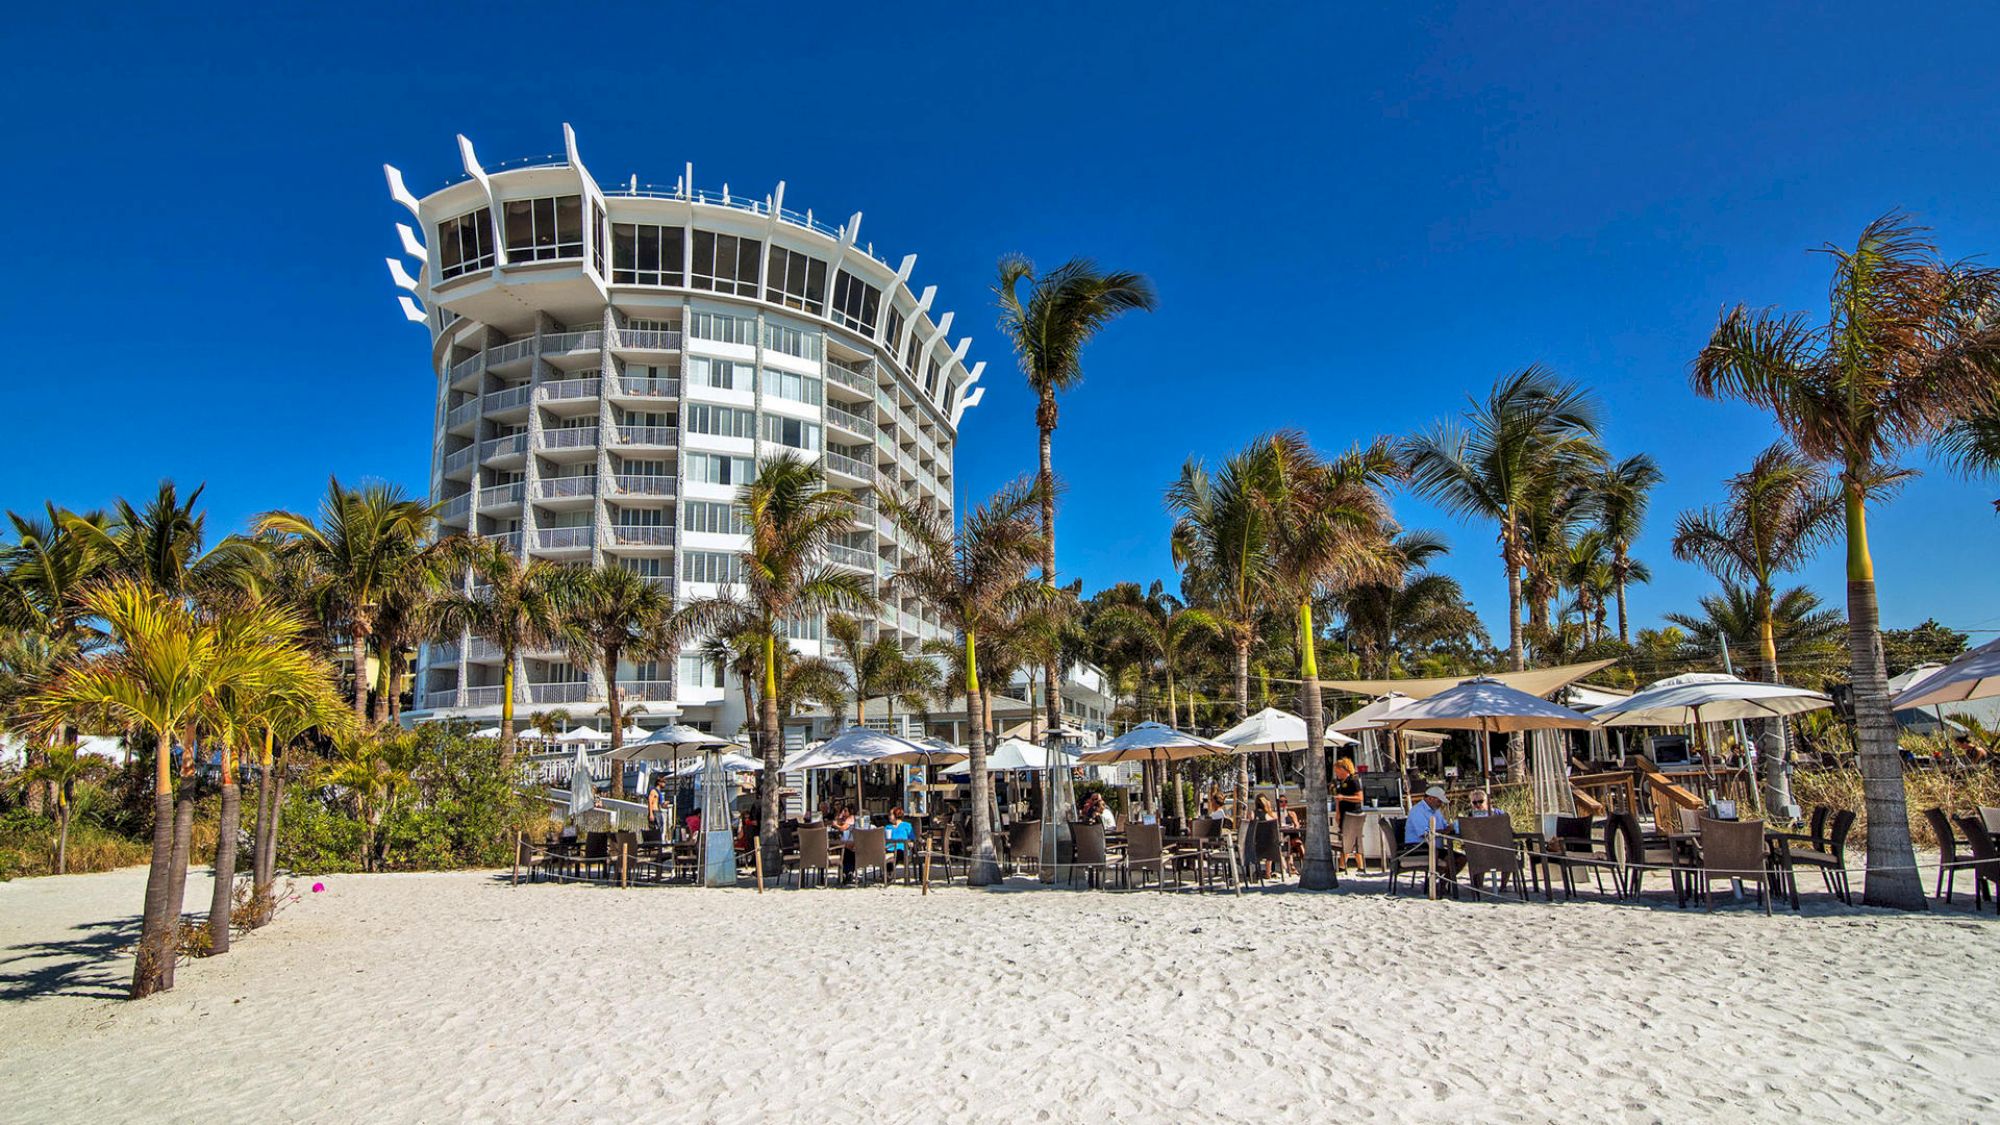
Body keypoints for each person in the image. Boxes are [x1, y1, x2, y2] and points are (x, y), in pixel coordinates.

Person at [1403, 785, 1463, 877]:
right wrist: (1445, 831)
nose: (1441, 804)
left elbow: (1445, 826)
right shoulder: (1417, 811)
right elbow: (1424, 833)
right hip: (1418, 847)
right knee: (1451, 860)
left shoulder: (1436, 810)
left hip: (1434, 847)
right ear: (1430, 798)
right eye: (1439, 801)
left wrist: (1452, 827)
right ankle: (1440, 885)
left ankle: (1443, 883)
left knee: (1462, 858)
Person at [884, 805, 915, 872]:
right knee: (887, 854)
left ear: (896, 815)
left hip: (902, 849)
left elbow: (911, 838)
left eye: (891, 814)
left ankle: (889, 872)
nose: (889, 816)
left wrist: (911, 843)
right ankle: (888, 873)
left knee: (897, 853)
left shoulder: (907, 825)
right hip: (889, 848)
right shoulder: (887, 827)